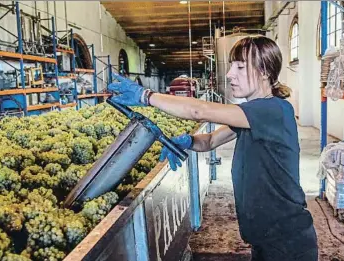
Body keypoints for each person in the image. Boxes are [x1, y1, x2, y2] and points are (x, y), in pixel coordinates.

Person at [108, 35, 318, 261]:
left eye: (240, 66)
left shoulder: (275, 110)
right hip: (265, 239)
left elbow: (200, 111)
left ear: (265, 71)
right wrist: (188, 140)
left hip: (287, 242)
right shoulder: (251, 114)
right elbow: (209, 141)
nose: (229, 75)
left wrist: (146, 96)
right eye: (230, 67)